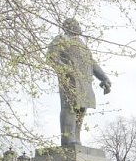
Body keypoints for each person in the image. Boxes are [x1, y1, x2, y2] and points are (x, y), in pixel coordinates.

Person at [47, 18, 112, 146]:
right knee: (70, 107)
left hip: (85, 82)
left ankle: (76, 138)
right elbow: (51, 57)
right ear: (69, 26)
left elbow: (92, 63)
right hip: (69, 80)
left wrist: (104, 78)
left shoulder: (82, 45)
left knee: (81, 109)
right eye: (76, 24)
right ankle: (67, 140)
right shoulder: (61, 39)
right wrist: (66, 69)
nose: (78, 26)